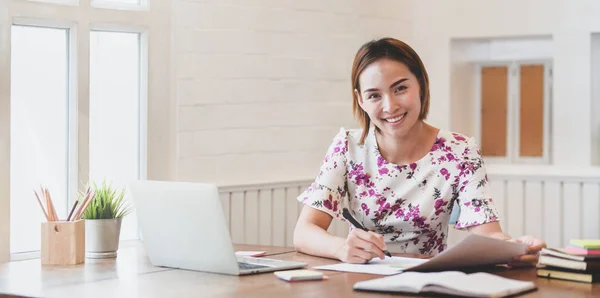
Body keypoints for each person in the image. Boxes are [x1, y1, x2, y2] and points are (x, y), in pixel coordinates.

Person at [293, 37, 546, 265]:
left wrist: (514, 250)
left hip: (428, 281)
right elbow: (304, 231)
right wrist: (341, 248)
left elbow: (488, 235)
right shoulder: (347, 146)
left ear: (421, 85)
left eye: (400, 88)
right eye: (374, 95)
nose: (390, 106)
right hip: (360, 279)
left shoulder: (460, 151)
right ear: (360, 100)